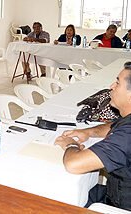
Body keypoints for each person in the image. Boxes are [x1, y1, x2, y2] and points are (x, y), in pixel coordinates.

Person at [54, 62, 131, 211]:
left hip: (120, 207)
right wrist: (88, 132)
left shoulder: (126, 137)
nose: (111, 86)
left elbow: (73, 164)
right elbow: (114, 125)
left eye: (118, 83)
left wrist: (71, 145)